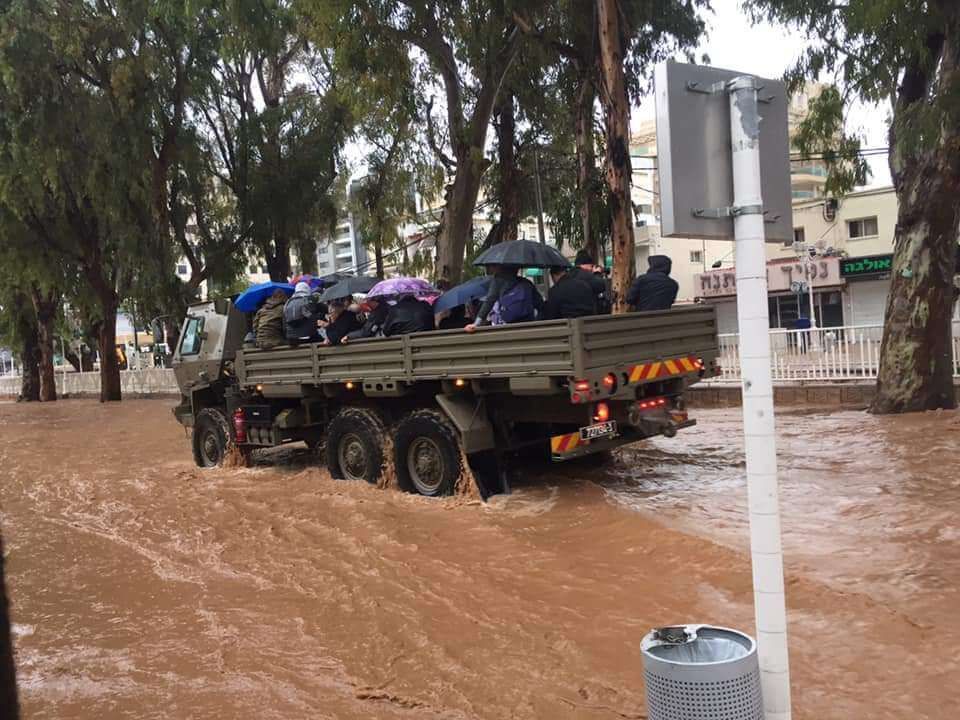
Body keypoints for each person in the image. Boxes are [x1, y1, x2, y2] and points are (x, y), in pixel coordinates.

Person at [465, 265, 542, 331]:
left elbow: (489, 301)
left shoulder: (498, 281)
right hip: (528, 327)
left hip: (508, 328)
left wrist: (476, 323)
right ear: (517, 268)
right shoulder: (526, 283)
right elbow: (540, 304)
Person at [571, 249, 610, 314]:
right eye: (591, 266)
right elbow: (600, 285)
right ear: (585, 264)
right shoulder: (584, 275)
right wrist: (597, 273)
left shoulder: (570, 275)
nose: (591, 269)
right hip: (588, 315)